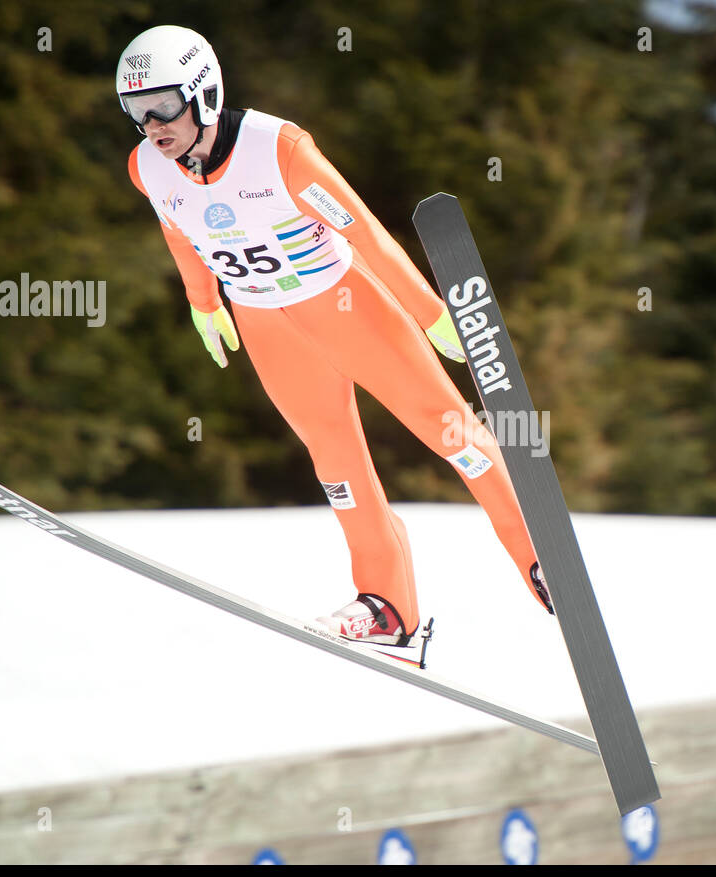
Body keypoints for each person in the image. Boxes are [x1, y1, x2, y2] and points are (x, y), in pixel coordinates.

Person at [116, 25, 552, 646]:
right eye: (136, 112)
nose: (151, 125)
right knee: (335, 462)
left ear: (203, 93)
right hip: (264, 322)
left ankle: (538, 555)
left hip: (344, 304)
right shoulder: (147, 168)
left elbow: (367, 232)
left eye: (162, 105)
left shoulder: (281, 150)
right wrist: (203, 301)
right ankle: (387, 603)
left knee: (449, 429)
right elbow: (179, 230)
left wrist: (430, 313)